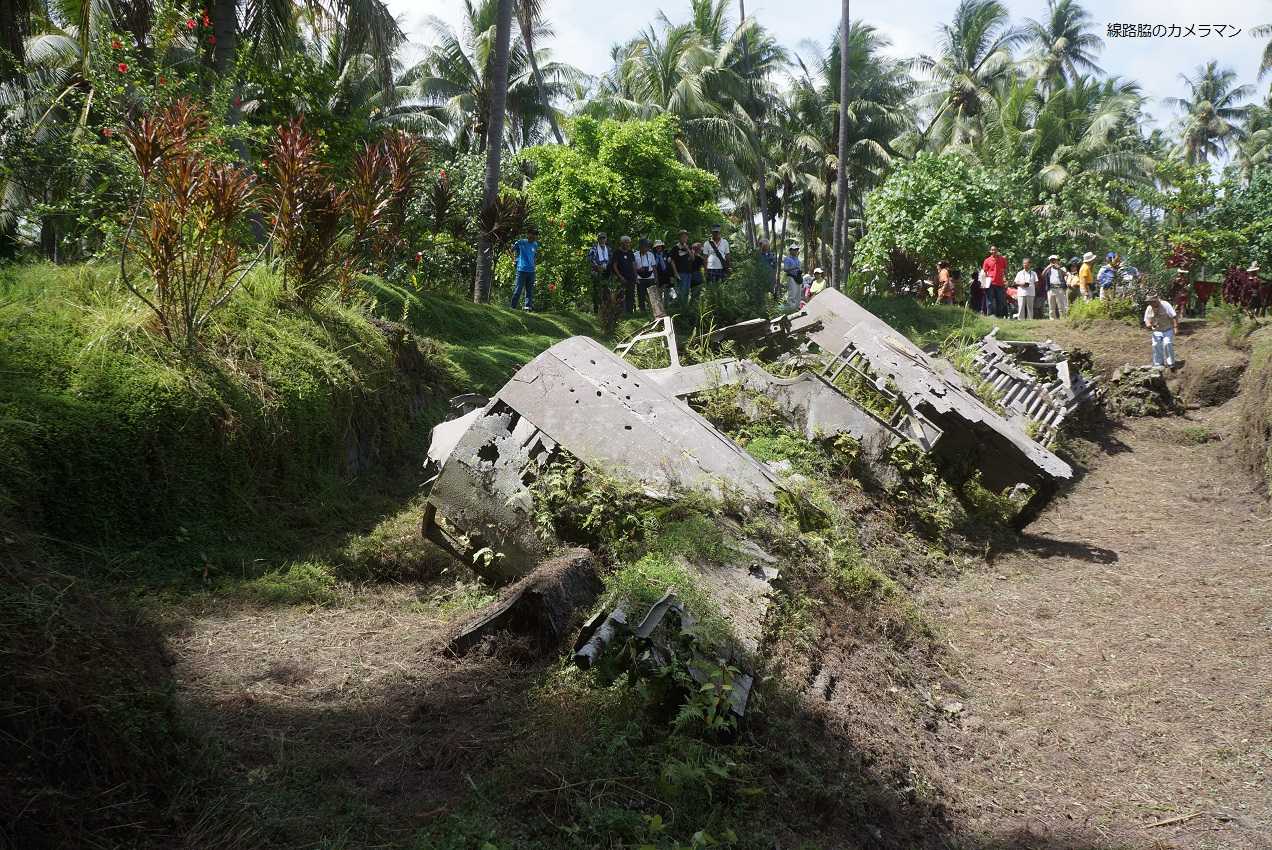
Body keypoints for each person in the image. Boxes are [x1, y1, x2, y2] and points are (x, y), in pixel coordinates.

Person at [1143, 289, 1180, 369]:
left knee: (1167, 343)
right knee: (1156, 345)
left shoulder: (1165, 305)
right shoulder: (1149, 308)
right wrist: (1149, 325)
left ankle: (1171, 363)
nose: (1151, 303)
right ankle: (1158, 364)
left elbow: (1173, 316)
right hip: (1157, 331)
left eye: (1152, 301)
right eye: (1150, 302)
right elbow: (1146, 320)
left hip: (1168, 329)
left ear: (1156, 300)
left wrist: (1175, 328)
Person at [510, 226, 540, 310]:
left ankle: (528, 307)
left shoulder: (535, 244)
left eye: (536, 235)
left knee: (529, 291)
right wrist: (514, 260)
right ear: (528, 234)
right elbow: (511, 250)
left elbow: (534, 257)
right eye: (533, 234)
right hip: (521, 270)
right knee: (518, 290)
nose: (535, 236)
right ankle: (513, 307)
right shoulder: (521, 242)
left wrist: (534, 266)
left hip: (531, 271)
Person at [610, 235, 638, 314]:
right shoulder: (617, 252)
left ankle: (629, 312)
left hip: (631, 277)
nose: (627, 244)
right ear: (622, 243)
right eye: (626, 242)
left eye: (628, 243)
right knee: (620, 295)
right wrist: (620, 276)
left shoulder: (630, 252)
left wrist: (636, 276)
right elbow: (614, 266)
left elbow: (633, 265)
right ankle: (621, 313)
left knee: (631, 295)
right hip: (621, 277)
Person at [587, 233, 611, 314]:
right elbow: (590, 259)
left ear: (606, 239)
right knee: (596, 290)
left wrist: (608, 266)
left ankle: (606, 309)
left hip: (606, 272)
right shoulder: (593, 248)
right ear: (598, 239)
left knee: (606, 290)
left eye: (604, 238)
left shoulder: (609, 249)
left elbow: (611, 259)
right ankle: (596, 310)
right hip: (596, 271)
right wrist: (597, 266)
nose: (602, 239)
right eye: (600, 238)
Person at [982, 245, 1008, 317]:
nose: (994, 251)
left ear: (997, 251)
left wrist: (1006, 279)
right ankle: (990, 315)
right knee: (989, 300)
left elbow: (1005, 270)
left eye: (995, 250)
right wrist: (984, 283)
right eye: (992, 250)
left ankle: (999, 316)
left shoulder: (1002, 259)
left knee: (1000, 300)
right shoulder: (987, 260)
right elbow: (984, 272)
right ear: (990, 251)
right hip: (990, 283)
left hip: (1000, 283)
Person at [668, 230, 693, 304]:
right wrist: (675, 273)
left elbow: (693, 258)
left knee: (687, 291)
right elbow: (672, 261)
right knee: (681, 291)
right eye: (683, 237)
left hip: (689, 272)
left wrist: (687, 249)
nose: (685, 238)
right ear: (679, 237)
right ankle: (680, 308)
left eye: (686, 237)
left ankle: (685, 308)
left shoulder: (689, 246)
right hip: (680, 273)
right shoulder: (675, 248)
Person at [650, 239, 672, 318]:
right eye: (657, 247)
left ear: (662, 247)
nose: (659, 248)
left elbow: (670, 262)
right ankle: (659, 309)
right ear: (655, 248)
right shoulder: (653, 255)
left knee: (667, 292)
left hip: (666, 275)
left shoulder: (666, 253)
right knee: (658, 292)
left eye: (660, 246)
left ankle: (667, 307)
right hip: (658, 275)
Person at [1042, 254, 1069, 319]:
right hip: (1051, 289)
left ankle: (1064, 317)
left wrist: (1058, 268)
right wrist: (1048, 267)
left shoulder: (1062, 268)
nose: (1053, 262)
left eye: (1054, 260)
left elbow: (1066, 274)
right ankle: (1052, 319)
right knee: (1051, 306)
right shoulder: (1048, 269)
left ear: (1057, 260)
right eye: (1051, 260)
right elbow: (1042, 275)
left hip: (1060, 288)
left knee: (1062, 305)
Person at [635, 238, 657, 314]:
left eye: (647, 247)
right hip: (640, 277)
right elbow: (633, 267)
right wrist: (636, 277)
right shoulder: (635, 254)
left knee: (651, 294)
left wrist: (656, 278)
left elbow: (654, 266)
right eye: (644, 246)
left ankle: (653, 310)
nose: (646, 248)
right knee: (641, 295)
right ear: (640, 247)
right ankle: (642, 311)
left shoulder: (651, 254)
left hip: (650, 277)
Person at [781, 245, 803, 312]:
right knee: (792, 295)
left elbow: (798, 268)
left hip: (798, 278)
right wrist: (794, 268)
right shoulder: (787, 259)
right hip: (791, 277)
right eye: (794, 249)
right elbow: (785, 269)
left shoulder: (798, 260)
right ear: (790, 250)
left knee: (798, 295)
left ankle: (796, 309)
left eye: (796, 249)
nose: (795, 251)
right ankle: (790, 310)